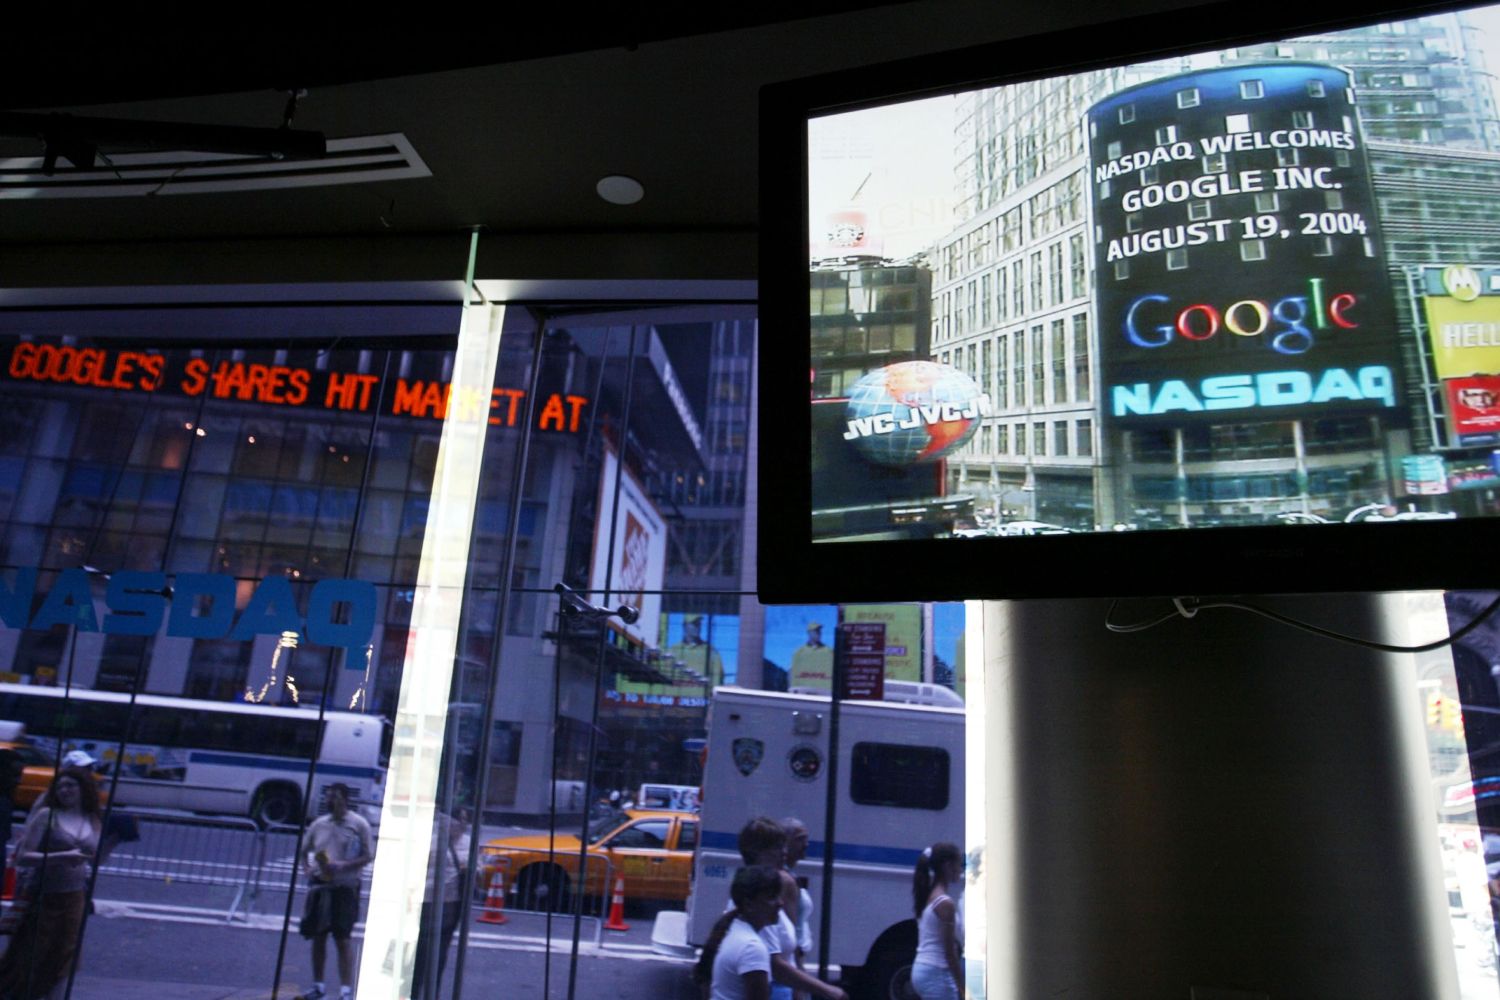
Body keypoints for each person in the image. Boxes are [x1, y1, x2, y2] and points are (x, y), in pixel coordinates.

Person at [0, 768, 102, 1000]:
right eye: (60, 786)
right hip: (44, 895)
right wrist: (60, 857)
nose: (65, 790)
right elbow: (24, 856)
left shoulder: (91, 818)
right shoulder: (48, 815)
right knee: (31, 954)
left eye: (71, 786)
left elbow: (95, 858)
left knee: (65, 956)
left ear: (83, 789)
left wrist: (114, 842)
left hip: (74, 897)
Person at [736, 817, 846, 1000]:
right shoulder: (761, 902)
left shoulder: (764, 892)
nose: (783, 852)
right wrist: (824, 990)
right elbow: (776, 964)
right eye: (778, 847)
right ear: (757, 852)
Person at [298, 783, 375, 1000]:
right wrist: (307, 869)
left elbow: (369, 855)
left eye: (335, 798)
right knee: (318, 937)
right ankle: (318, 987)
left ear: (345, 800)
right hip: (321, 887)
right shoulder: (319, 824)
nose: (331, 802)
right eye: (329, 798)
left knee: (342, 938)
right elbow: (304, 851)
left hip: (345, 888)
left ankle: (345, 991)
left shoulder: (358, 824)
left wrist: (343, 866)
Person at [695, 865, 783, 1000]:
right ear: (749, 904)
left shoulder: (733, 929)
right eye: (771, 897)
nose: (780, 903)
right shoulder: (752, 948)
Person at [409, 808, 470, 1000]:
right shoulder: (430, 840)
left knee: (440, 952)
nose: (463, 824)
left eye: (465, 820)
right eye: (459, 819)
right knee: (419, 953)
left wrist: (471, 871)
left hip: (451, 905)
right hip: (426, 902)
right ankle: (412, 992)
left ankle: (431, 993)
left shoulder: (468, 843)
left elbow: (477, 869)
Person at [910, 842, 965, 1000]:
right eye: (958, 865)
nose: (960, 871)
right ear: (948, 866)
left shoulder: (930, 896)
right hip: (937, 971)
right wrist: (962, 987)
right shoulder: (945, 903)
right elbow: (950, 952)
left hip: (923, 967)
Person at [780, 817, 816, 1000]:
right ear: (785, 842)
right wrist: (799, 974)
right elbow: (791, 932)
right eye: (800, 839)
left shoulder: (790, 875)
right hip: (793, 959)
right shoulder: (786, 881)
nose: (806, 844)